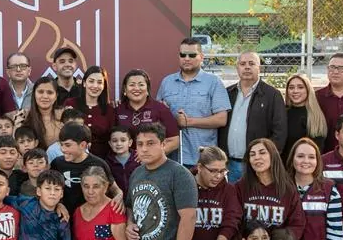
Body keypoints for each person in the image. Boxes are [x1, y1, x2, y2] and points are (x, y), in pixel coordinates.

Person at [156, 37, 229, 168]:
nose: (187, 58)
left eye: (192, 55)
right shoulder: (167, 82)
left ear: (201, 57)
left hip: (202, 159)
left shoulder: (213, 82)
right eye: (183, 54)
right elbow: (156, 116)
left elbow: (221, 119)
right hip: (171, 157)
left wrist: (188, 122)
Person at [221, 52, 287, 181]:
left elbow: (280, 132)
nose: (247, 67)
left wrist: (264, 160)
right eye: (242, 64)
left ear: (259, 68)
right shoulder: (227, 93)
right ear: (237, 68)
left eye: (252, 64)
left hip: (256, 166)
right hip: (228, 165)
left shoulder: (272, 95)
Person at [236, 138, 306, 240]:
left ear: (273, 156)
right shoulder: (241, 186)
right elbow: (233, 220)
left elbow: (297, 224)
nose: (257, 157)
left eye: (262, 153)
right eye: (252, 154)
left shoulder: (288, 188)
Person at [115, 69, 180, 158]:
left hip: (153, 165)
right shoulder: (117, 110)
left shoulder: (160, 109)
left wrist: (152, 155)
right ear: (125, 89)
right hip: (122, 165)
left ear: (147, 89)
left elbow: (175, 141)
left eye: (141, 85)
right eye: (132, 85)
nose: (137, 88)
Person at [63, 65, 118, 158]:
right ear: (84, 83)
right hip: (73, 158)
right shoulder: (71, 103)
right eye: (91, 81)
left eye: (99, 82)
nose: (95, 86)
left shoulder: (109, 110)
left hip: (101, 160)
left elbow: (113, 139)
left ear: (104, 86)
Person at [283, 73, 328, 165]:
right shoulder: (281, 112)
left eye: (300, 87)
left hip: (306, 168)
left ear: (308, 90)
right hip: (283, 168)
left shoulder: (315, 116)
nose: (295, 91)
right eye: (291, 87)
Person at [18, 75, 64, 148]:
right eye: (40, 92)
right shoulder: (23, 116)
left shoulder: (64, 115)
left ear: (56, 96)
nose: (45, 96)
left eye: (50, 92)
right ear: (34, 94)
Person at [106, 126, 139, 199]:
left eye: (123, 140)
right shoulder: (107, 163)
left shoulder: (138, 159)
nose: (118, 144)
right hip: (116, 201)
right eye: (114, 141)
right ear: (110, 144)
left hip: (136, 199)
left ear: (130, 143)